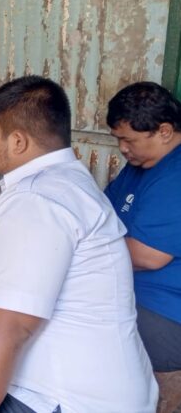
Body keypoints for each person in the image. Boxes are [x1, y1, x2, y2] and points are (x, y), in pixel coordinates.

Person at [0, 76, 157, 413]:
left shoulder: (36, 201)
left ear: (17, 141)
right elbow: (41, 266)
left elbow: (11, 328)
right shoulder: (68, 180)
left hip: (58, 399)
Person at [105, 82, 181, 373]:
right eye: (118, 139)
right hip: (129, 295)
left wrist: (81, 246)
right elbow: (100, 215)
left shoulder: (175, 175)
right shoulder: (140, 165)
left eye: (129, 140)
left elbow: (147, 255)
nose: (122, 148)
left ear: (164, 131)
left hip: (167, 316)